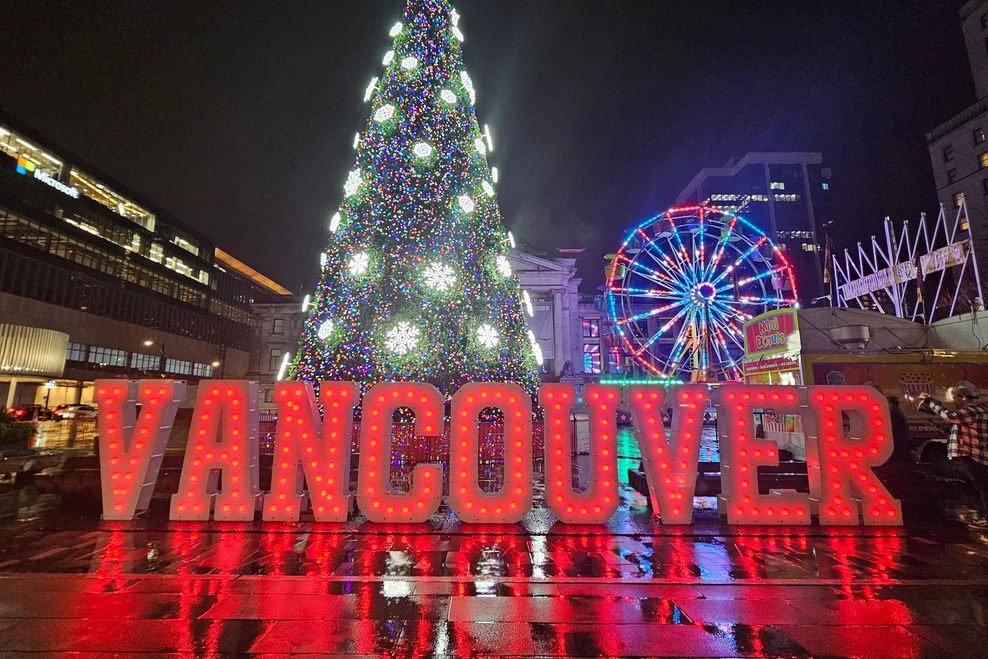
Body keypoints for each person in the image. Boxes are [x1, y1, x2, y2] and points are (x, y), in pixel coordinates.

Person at [919, 381, 988, 528]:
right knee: (981, 485)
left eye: (956, 397)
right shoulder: (974, 411)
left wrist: (931, 403)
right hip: (975, 453)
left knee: (982, 486)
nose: (954, 401)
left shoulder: (971, 410)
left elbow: (950, 416)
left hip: (974, 454)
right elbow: (958, 428)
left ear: (964, 397)